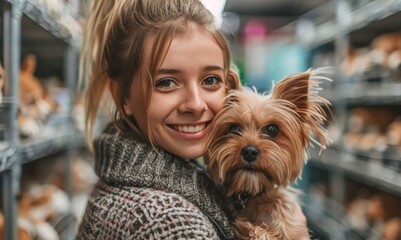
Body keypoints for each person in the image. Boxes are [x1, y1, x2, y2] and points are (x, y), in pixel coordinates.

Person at [76, 0, 306, 239]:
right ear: (122, 96)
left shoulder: (177, 179)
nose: (196, 105)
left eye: (210, 80)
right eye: (166, 82)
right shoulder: (168, 222)